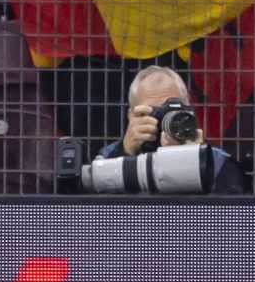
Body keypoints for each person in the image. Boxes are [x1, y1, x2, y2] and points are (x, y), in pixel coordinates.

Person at [98, 65, 246, 191]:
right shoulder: (107, 158)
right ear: (132, 115)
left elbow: (230, 218)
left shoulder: (217, 161)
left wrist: (197, 162)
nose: (165, 122)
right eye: (155, 113)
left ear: (188, 110)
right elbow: (99, 214)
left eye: (172, 112)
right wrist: (125, 152)